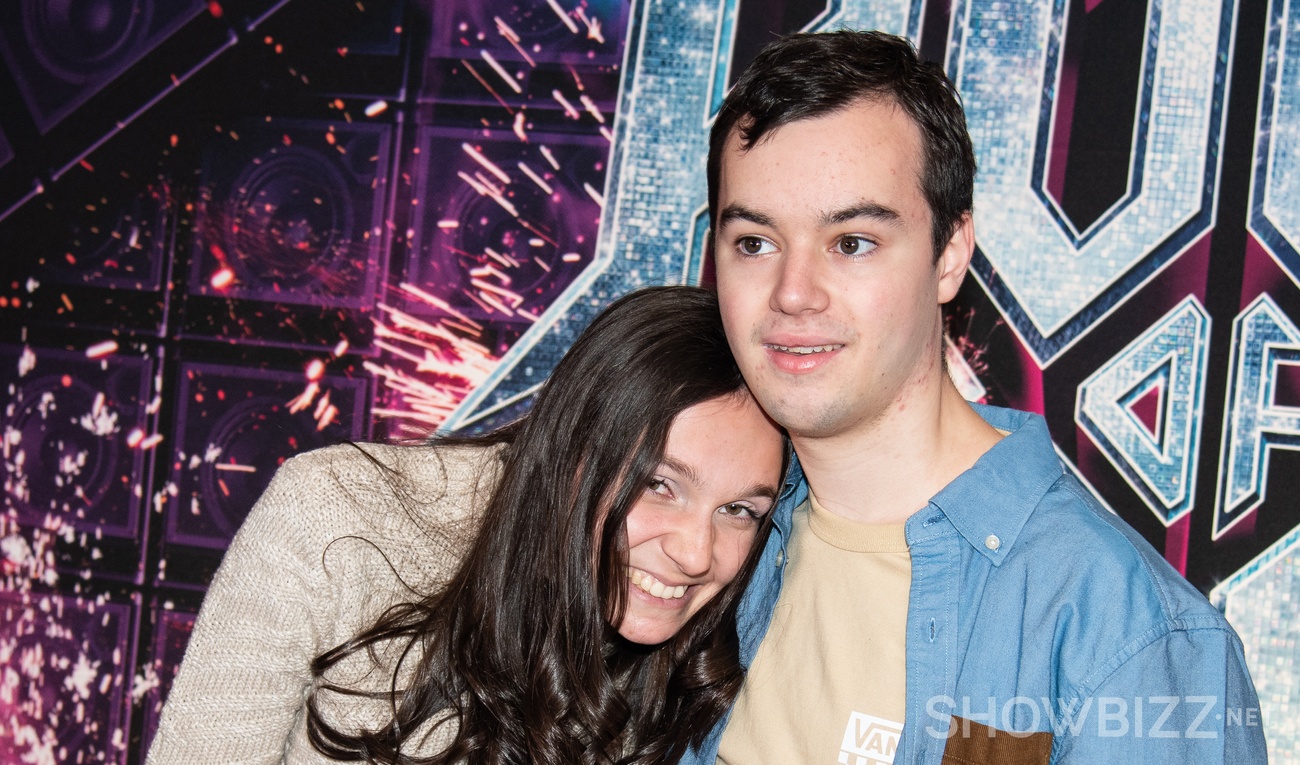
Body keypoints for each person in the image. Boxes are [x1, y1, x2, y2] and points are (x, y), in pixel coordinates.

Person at [695, 30, 1268, 764]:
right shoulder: (690, 554)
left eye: (852, 242)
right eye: (755, 242)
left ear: (950, 254)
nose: (793, 292)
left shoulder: (1127, 635)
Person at [146, 286, 787, 764]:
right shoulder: (340, 513)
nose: (698, 554)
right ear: (573, 454)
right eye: (658, 484)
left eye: (739, 510)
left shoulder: (727, 636)